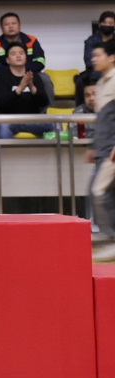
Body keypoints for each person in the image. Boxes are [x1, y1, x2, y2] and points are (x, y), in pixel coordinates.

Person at [88, 40, 115, 263]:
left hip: (112, 150)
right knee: (98, 192)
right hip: (103, 149)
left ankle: (112, 239)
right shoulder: (100, 83)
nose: (94, 59)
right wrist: (93, 146)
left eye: (98, 55)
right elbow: (102, 120)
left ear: (112, 57)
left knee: (99, 191)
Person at [0, 41, 52, 138]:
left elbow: (44, 102)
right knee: (3, 128)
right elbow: (1, 105)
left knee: (55, 124)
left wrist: (32, 87)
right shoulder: (1, 78)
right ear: (7, 60)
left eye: (21, 53)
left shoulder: (33, 76)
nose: (18, 56)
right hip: (9, 121)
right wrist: (20, 88)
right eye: (13, 54)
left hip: (32, 120)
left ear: (26, 57)